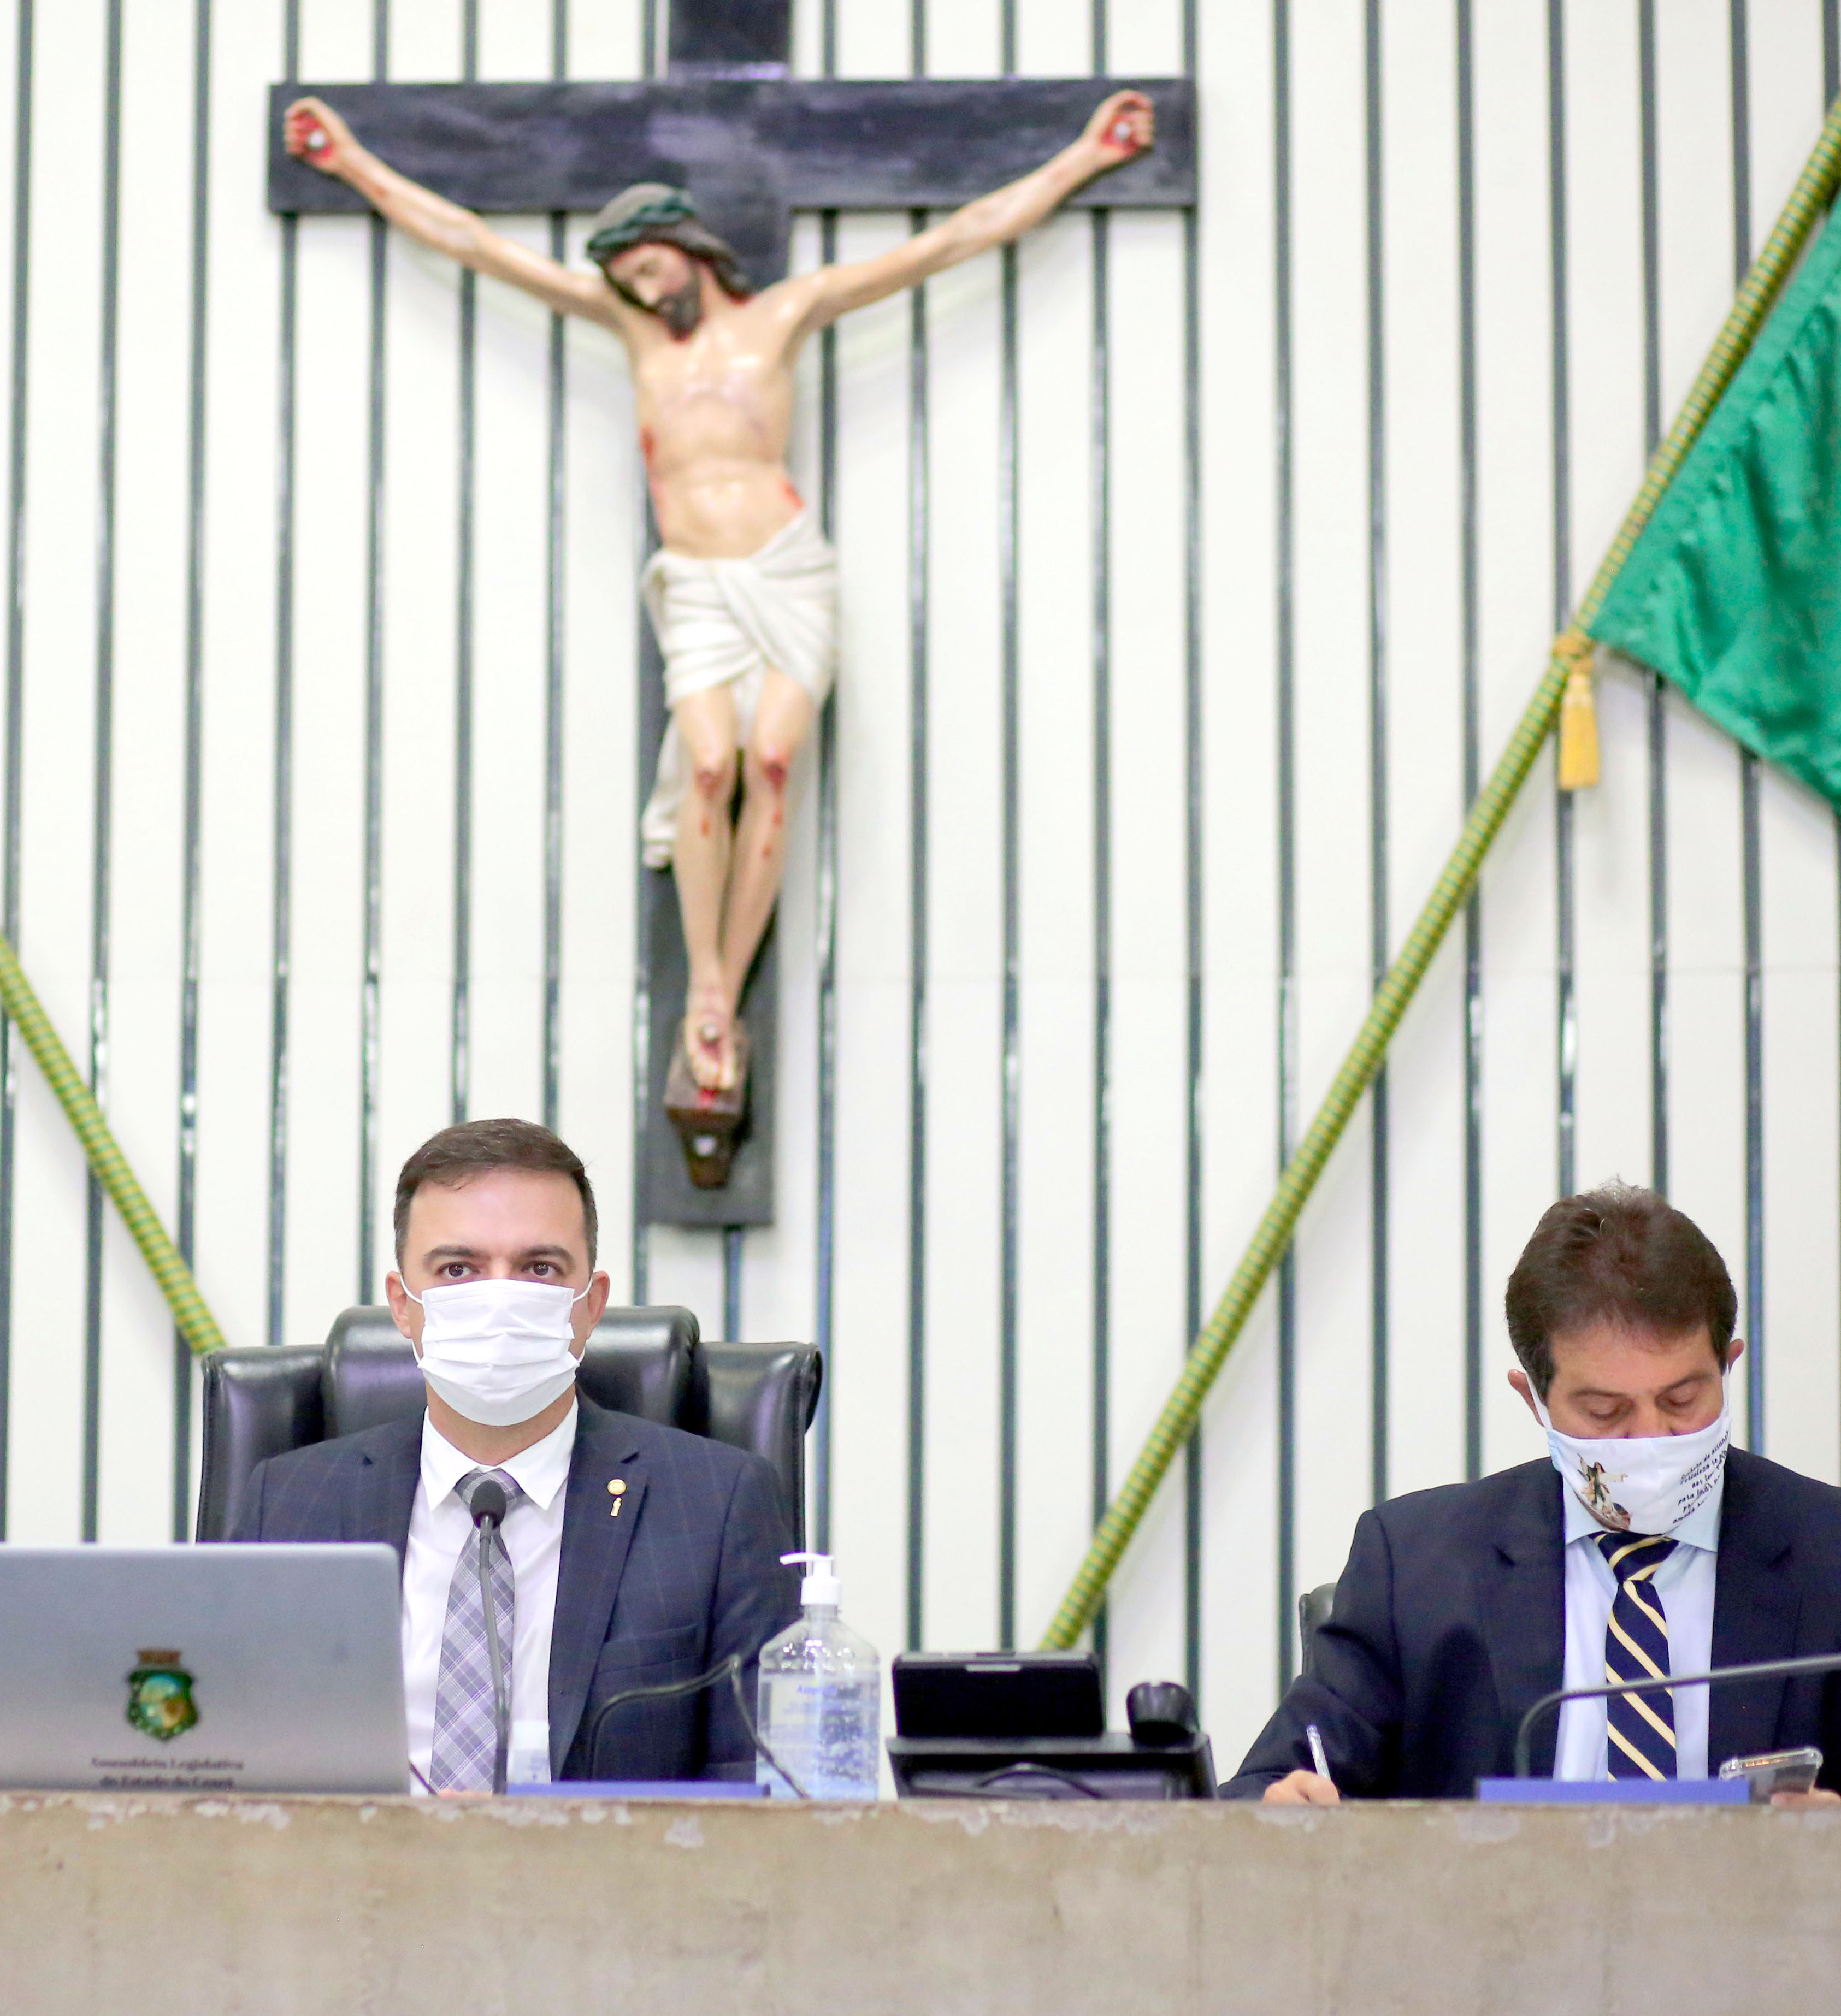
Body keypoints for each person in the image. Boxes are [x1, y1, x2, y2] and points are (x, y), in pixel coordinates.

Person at [282, 91, 1154, 1119]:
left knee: (771, 762)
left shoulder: (784, 314)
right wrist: (351, 164)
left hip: (785, 569)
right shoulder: (630, 331)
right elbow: (473, 243)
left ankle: (723, 994)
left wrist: (1083, 157)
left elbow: (954, 240)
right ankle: (704, 976)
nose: (637, 285)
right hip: (696, 583)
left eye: (646, 263)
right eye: (622, 275)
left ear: (688, 245)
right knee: (708, 763)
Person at [1225, 1184, 1841, 1804]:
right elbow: (1264, 1794)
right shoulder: (1414, 1566)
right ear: (1533, 1398)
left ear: (1728, 1363)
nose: (1649, 1436)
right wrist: (1284, 1809)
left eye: (1683, 1398)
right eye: (1603, 1410)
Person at [222, 1119, 800, 1787]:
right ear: (402, 1306)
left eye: (538, 1269)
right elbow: (223, 1773)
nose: (498, 1298)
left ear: (590, 1306)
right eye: (457, 1269)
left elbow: (758, 1796)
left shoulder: (717, 1507)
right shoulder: (287, 1506)